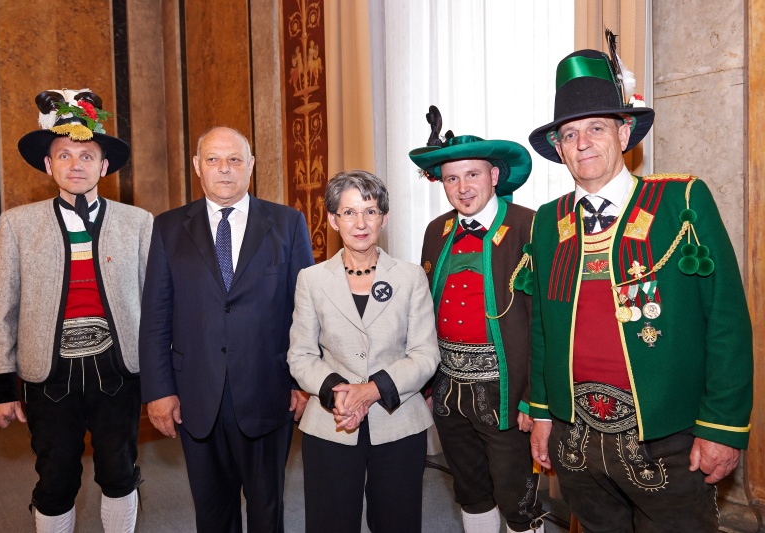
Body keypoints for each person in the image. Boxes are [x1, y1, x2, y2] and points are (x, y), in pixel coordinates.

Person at [526, 49, 753, 532]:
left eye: (596, 128)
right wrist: (543, 413)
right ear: (559, 148)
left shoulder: (681, 201)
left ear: (625, 134)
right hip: (576, 437)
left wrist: (722, 428)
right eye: (570, 134)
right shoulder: (548, 221)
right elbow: (543, 328)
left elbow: (727, 321)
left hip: (667, 440)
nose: (582, 143)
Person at [0, 88, 152, 532]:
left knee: (118, 473)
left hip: (118, 370)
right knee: (56, 478)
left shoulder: (137, 223)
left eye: (86, 156)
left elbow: (155, 305)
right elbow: (2, 306)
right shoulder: (18, 224)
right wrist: (0, 387)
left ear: (104, 165)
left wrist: (164, 377)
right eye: (64, 155)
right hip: (49, 372)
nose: (75, 164)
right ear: (48, 164)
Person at [138, 126, 315, 533]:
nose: (225, 169)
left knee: (267, 508)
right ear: (198, 166)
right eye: (214, 160)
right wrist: (160, 391)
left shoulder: (287, 223)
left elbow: (306, 312)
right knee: (212, 512)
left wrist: (303, 381)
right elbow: (155, 316)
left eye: (235, 159)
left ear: (251, 166)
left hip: (269, 392)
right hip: (195, 394)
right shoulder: (167, 228)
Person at [410, 127, 546, 533]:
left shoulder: (529, 226)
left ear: (494, 176)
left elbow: (544, 323)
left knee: (517, 496)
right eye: (452, 178)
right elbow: (424, 312)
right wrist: (429, 387)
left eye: (473, 174)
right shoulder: (436, 231)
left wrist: (532, 400)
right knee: (469, 490)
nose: (463, 187)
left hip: (506, 391)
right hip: (449, 388)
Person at [287, 170, 439, 533]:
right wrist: (341, 394)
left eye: (370, 212)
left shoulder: (411, 276)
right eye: (349, 212)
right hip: (331, 421)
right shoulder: (311, 279)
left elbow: (425, 354)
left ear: (383, 218)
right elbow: (301, 355)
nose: (360, 223)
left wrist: (371, 391)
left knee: (397, 523)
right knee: (330, 523)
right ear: (332, 219)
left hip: (399, 422)